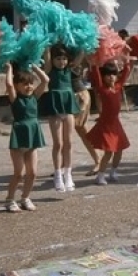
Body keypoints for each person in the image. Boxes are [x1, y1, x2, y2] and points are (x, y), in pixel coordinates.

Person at [3, 62, 49, 213]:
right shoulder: (15, 98)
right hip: (19, 136)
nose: (29, 86)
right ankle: (10, 199)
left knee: (33, 172)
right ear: (17, 86)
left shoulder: (34, 96)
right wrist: (10, 68)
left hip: (33, 136)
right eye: (24, 84)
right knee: (19, 173)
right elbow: (9, 84)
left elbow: (46, 80)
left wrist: (35, 68)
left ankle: (25, 197)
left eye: (30, 83)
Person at [40, 45, 81, 191]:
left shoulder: (69, 69)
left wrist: (87, 40)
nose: (62, 62)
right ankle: (58, 175)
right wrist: (47, 43)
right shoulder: (50, 70)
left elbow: (81, 54)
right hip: (55, 109)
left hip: (68, 108)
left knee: (68, 142)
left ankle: (68, 174)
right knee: (58, 144)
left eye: (64, 58)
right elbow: (47, 54)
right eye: (58, 58)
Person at [86, 60, 131, 184]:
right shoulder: (102, 88)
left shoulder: (118, 87)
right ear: (103, 76)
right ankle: (100, 175)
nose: (111, 77)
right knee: (109, 151)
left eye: (113, 74)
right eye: (108, 75)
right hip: (106, 125)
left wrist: (126, 61)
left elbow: (126, 72)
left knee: (119, 149)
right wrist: (95, 60)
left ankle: (113, 171)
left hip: (116, 124)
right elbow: (96, 73)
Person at [70, 61, 102, 177]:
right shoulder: (53, 48)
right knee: (64, 134)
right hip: (63, 95)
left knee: (81, 129)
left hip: (77, 94)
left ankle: (98, 160)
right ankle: (63, 166)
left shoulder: (77, 49)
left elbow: (78, 60)